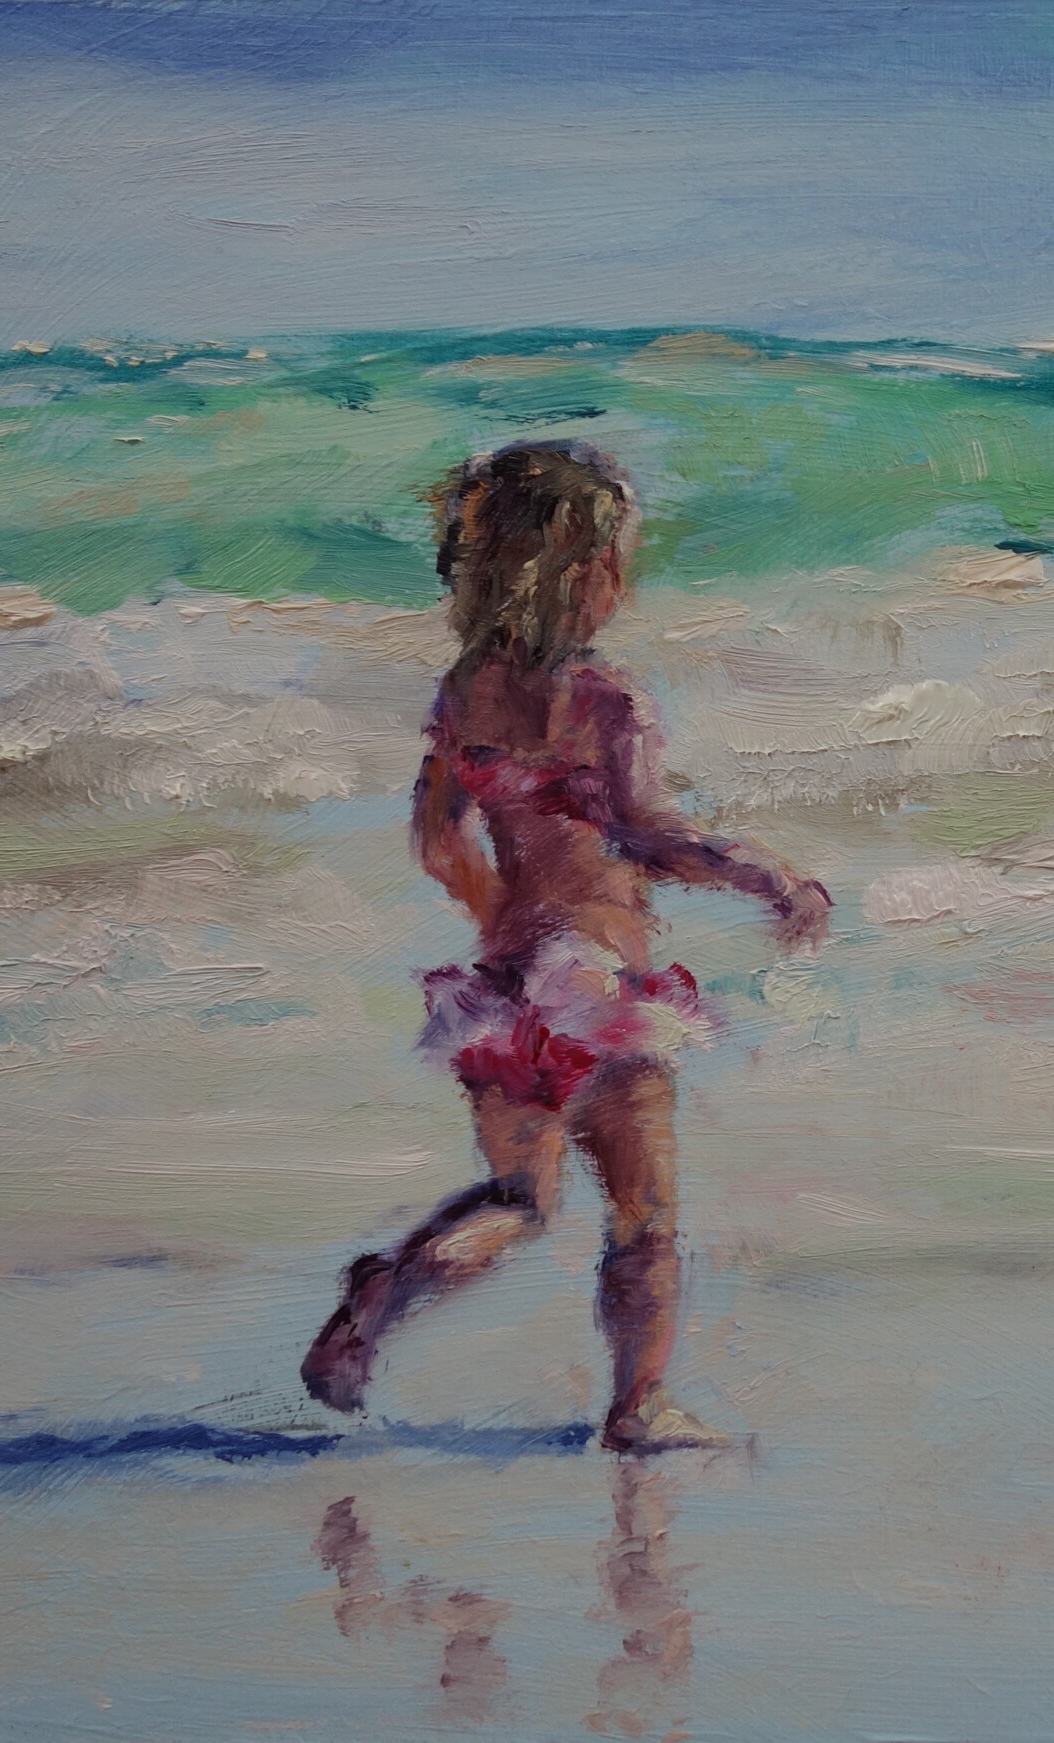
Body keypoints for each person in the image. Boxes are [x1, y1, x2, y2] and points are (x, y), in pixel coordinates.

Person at [303, 441, 831, 1452]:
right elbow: (647, 833)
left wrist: (506, 919)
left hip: (506, 992)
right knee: (646, 1213)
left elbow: (437, 839)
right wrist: (765, 874)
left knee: (516, 1199)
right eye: (618, 560)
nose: (624, 581)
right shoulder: (604, 701)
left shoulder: (466, 692)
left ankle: (386, 1291)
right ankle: (638, 1407)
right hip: (602, 985)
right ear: (582, 576)